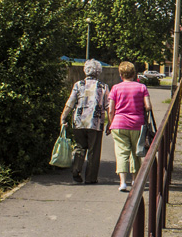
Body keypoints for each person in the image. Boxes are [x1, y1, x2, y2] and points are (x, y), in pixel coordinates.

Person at [60, 59, 109, 184]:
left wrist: (63, 117)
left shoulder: (78, 85)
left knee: (80, 146)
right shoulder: (103, 86)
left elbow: (70, 103)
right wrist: (111, 123)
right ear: (98, 72)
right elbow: (108, 106)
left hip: (79, 121)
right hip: (95, 122)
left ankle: (76, 169)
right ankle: (91, 178)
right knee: (94, 151)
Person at [106, 61, 152, 192]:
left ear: (121, 75)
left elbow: (110, 110)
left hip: (119, 124)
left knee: (121, 153)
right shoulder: (142, 87)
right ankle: (134, 181)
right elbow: (148, 106)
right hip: (137, 125)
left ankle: (122, 183)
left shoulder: (115, 88)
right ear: (134, 74)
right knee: (135, 153)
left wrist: (110, 124)